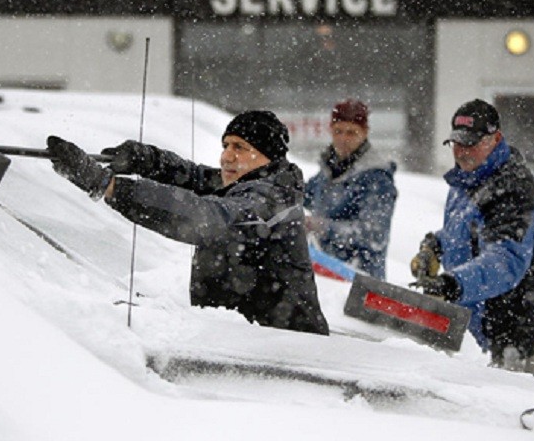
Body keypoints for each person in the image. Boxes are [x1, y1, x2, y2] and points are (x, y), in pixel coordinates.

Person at [46, 110, 330, 336]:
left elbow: (208, 217)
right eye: (226, 145)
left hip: (289, 355)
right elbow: (192, 177)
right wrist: (145, 160)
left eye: (240, 147)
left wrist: (109, 186)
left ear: (267, 157)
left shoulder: (267, 200)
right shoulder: (245, 183)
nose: (227, 156)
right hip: (245, 341)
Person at [410, 99, 534, 375]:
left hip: (514, 333)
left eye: (471, 143)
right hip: (477, 327)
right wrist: (434, 247)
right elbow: (464, 230)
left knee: (506, 414)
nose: (462, 152)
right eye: (457, 143)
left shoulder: (513, 186)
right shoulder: (467, 178)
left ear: (495, 138)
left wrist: (452, 284)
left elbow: (505, 260)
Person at [303, 98, 397, 279]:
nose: (343, 139)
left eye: (351, 132)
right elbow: (304, 195)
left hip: (359, 283)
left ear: (365, 132)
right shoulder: (328, 170)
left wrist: (322, 227)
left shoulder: (377, 178)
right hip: (323, 277)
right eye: (338, 131)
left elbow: (373, 234)